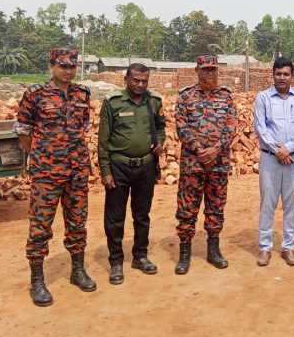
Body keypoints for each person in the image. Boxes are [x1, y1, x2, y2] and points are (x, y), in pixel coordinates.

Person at [14, 48, 97, 307]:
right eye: (63, 66)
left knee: (77, 223)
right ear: (51, 66)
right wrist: (42, 155)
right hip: (47, 173)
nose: (68, 71)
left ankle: (77, 271)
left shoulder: (83, 93)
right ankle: (37, 281)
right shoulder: (35, 94)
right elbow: (24, 130)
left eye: (72, 66)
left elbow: (84, 127)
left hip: (77, 172)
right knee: (40, 226)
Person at [98, 63, 166, 285]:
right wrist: (105, 170)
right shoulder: (113, 103)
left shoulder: (154, 101)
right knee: (115, 218)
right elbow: (103, 140)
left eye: (144, 81)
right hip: (119, 167)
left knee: (142, 215)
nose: (140, 84)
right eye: (136, 80)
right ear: (126, 78)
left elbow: (160, 127)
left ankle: (140, 256)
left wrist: (160, 143)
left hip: (146, 166)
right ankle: (116, 261)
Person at [174, 55, 237, 274]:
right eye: (205, 69)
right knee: (187, 210)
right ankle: (184, 253)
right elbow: (181, 127)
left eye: (213, 69)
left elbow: (231, 127)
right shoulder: (185, 97)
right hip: (193, 164)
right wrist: (200, 150)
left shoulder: (226, 97)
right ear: (197, 70)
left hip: (218, 165)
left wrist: (217, 149)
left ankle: (213, 249)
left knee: (215, 208)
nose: (210, 72)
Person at [254, 58, 294, 267]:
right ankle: (264, 247)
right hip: (270, 159)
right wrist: (279, 151)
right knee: (267, 203)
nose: (282, 77)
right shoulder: (263, 98)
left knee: (292, 204)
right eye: (278, 73)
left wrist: (287, 148)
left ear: (292, 76)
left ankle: (288, 246)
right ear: (273, 75)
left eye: (286, 74)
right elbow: (261, 127)